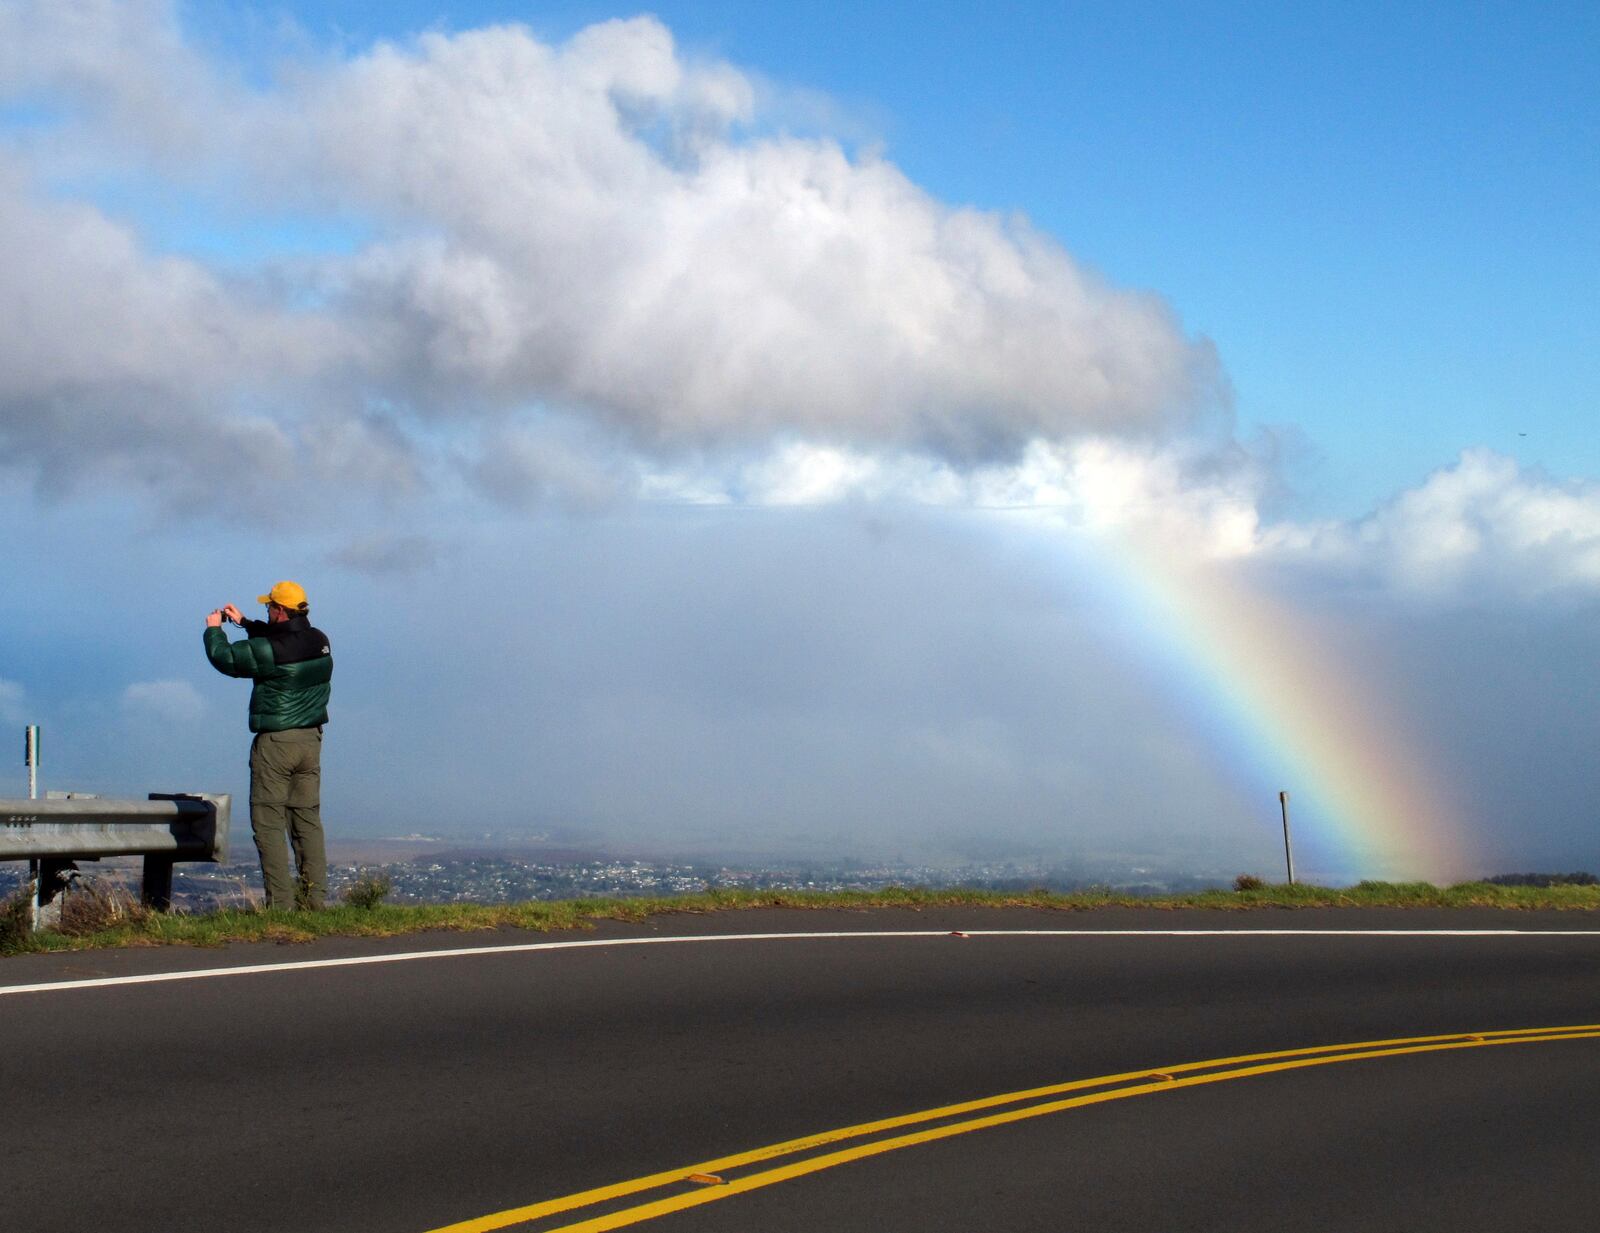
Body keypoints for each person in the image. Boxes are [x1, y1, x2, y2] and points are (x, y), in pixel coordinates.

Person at [203, 581, 333, 911]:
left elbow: (227, 659)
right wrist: (246, 623)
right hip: (310, 741)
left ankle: (281, 906)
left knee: (268, 822)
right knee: (306, 821)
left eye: (269, 608)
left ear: (279, 610)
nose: (268, 611)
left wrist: (215, 630)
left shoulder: (272, 652)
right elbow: (280, 639)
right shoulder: (319, 641)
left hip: (276, 743)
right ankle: (314, 903)